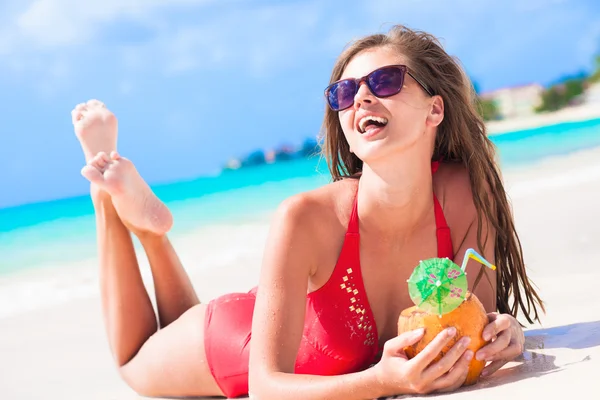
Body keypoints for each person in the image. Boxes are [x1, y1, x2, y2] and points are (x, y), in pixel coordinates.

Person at [71, 25, 544, 400]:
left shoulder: (464, 193)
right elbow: (264, 388)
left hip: (284, 331)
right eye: (345, 92)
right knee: (134, 362)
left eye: (384, 81)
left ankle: (155, 236)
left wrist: (507, 336)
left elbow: (478, 322)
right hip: (238, 342)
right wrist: (384, 382)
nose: (361, 97)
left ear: (434, 110)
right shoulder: (307, 217)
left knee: (174, 320)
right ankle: (106, 199)